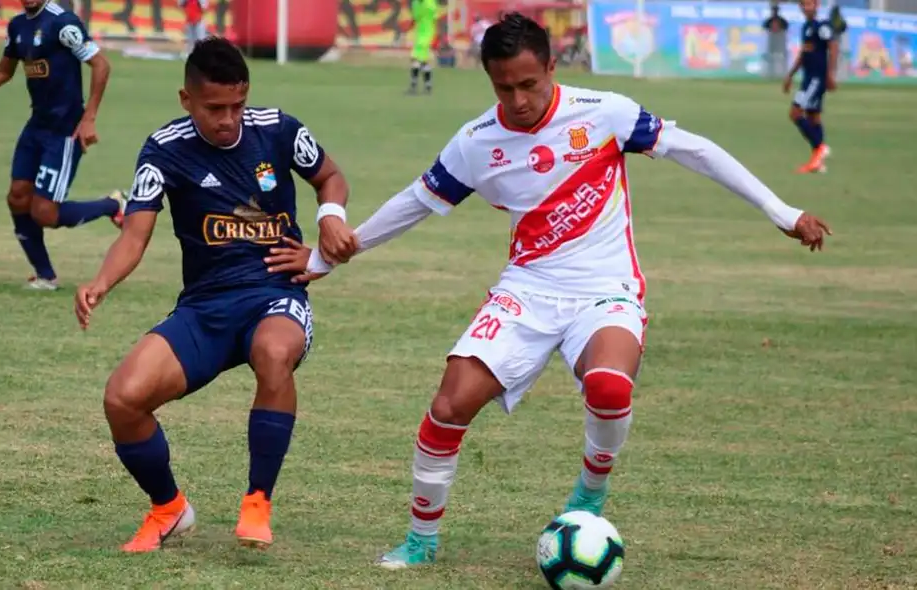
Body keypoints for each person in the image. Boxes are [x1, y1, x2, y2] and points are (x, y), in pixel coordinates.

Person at [269, 13, 832, 569]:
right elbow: (417, 202)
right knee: (448, 405)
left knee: (610, 387)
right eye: (503, 87)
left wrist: (781, 211)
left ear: (552, 68)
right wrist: (329, 257)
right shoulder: (475, 142)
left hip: (604, 290)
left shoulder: (604, 113)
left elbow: (699, 151)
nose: (517, 100)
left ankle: (590, 492)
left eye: (528, 84)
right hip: (527, 291)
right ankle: (420, 541)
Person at [73, 37, 358, 554]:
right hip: (205, 308)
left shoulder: (279, 130)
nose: (228, 119)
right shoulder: (164, 148)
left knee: (274, 353)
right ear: (186, 99)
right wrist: (100, 282)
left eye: (236, 105)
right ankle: (169, 508)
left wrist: (329, 220)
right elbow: (134, 235)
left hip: (275, 294)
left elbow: (330, 176)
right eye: (214, 108)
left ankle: (257, 501)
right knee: (122, 398)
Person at [0, 0, 123, 290]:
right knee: (17, 197)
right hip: (36, 125)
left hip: (65, 130)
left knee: (44, 213)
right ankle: (45, 276)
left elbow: (101, 64)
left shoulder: (63, 23)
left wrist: (89, 117)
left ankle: (112, 205)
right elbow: (3, 71)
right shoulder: (18, 26)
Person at [783, 0, 837, 174]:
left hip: (816, 79)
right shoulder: (806, 27)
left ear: (817, 5)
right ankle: (817, 162)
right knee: (813, 117)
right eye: (803, 5)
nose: (806, 8)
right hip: (808, 78)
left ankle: (820, 148)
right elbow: (803, 53)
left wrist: (830, 74)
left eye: (809, 4)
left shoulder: (823, 26)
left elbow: (833, 47)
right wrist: (790, 75)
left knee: (795, 113)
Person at [408, 0, 437, 94]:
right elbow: (415, 18)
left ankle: (414, 86)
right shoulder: (416, 2)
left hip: (427, 34)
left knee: (416, 59)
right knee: (423, 61)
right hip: (419, 34)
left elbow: (433, 17)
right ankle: (428, 86)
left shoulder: (429, 4)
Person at [761, 3, 789, 80]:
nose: (775, 12)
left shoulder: (782, 21)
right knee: (770, 58)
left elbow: (786, 28)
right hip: (771, 42)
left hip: (780, 42)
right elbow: (764, 27)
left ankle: (782, 75)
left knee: (780, 59)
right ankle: (769, 74)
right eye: (773, 10)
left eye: (776, 10)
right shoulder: (769, 20)